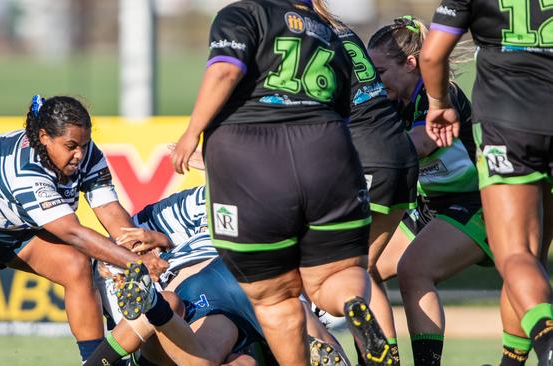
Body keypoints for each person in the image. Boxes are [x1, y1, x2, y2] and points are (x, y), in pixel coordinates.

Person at [170, 0, 394, 364]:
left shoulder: (243, 14)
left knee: (275, 298)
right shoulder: (328, 33)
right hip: (328, 155)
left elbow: (226, 70)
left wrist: (192, 132)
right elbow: (342, 108)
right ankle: (351, 303)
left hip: (252, 161)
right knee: (339, 275)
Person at [0, 95, 168, 366]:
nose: (79, 155)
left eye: (83, 145)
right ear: (44, 137)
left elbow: (110, 212)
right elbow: (73, 233)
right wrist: (137, 263)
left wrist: (139, 248)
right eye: (71, 146)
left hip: (14, 224)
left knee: (76, 264)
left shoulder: (87, 155)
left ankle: (96, 361)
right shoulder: (27, 168)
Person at [419, 0, 553, 364]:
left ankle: (548, 344)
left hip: (509, 124)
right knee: (534, 260)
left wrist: (439, 102)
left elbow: (431, 55)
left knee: (516, 255)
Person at [86, 185, 350, 366]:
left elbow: (122, 242)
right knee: (304, 341)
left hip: (195, 282)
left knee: (208, 355)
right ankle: (154, 307)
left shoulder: (209, 202)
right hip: (249, 268)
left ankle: (155, 308)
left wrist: (159, 242)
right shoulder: (256, 201)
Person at [330, 17, 420, 366]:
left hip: (366, 158)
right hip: (399, 156)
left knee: (332, 277)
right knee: (362, 271)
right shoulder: (342, 29)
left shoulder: (299, 36)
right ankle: (386, 361)